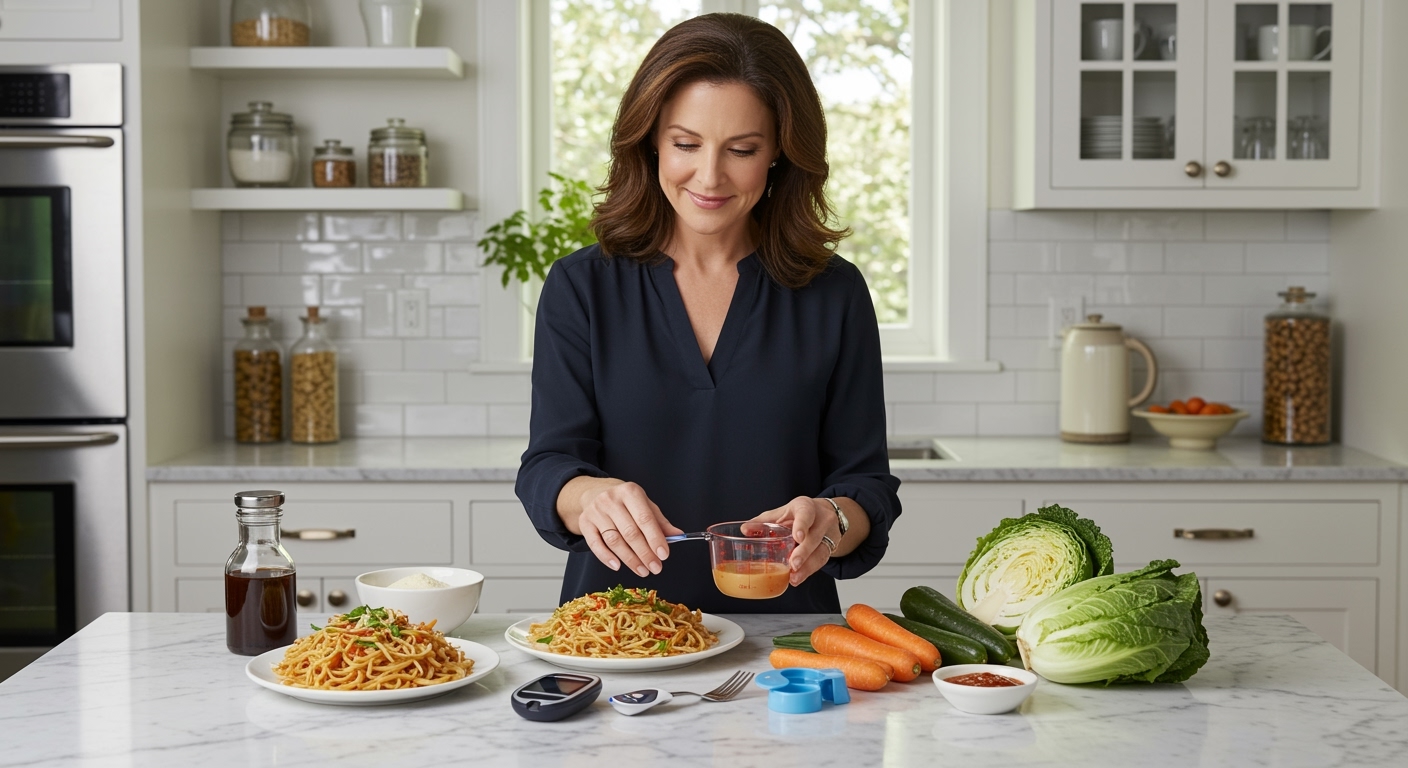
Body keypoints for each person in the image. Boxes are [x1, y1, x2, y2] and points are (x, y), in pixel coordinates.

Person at [516, 13, 900, 614]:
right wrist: (586, 494)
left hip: (787, 645)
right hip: (616, 637)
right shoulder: (581, 286)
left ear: (779, 154)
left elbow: (866, 487)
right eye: (686, 144)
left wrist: (830, 519)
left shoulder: (834, 293)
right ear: (650, 142)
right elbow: (548, 466)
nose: (710, 176)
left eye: (742, 149)